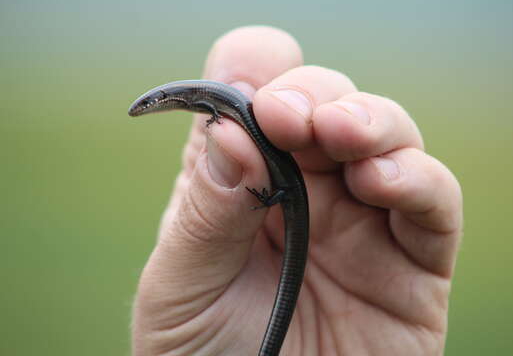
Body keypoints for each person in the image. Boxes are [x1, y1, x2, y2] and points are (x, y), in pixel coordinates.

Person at [131, 26, 463, 355]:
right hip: (285, 191)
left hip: (288, 189)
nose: (144, 107)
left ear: (162, 99)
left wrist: (219, 120)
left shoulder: (198, 97)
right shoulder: (192, 97)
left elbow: (213, 109)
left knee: (280, 152)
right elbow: (212, 110)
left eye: (147, 103)